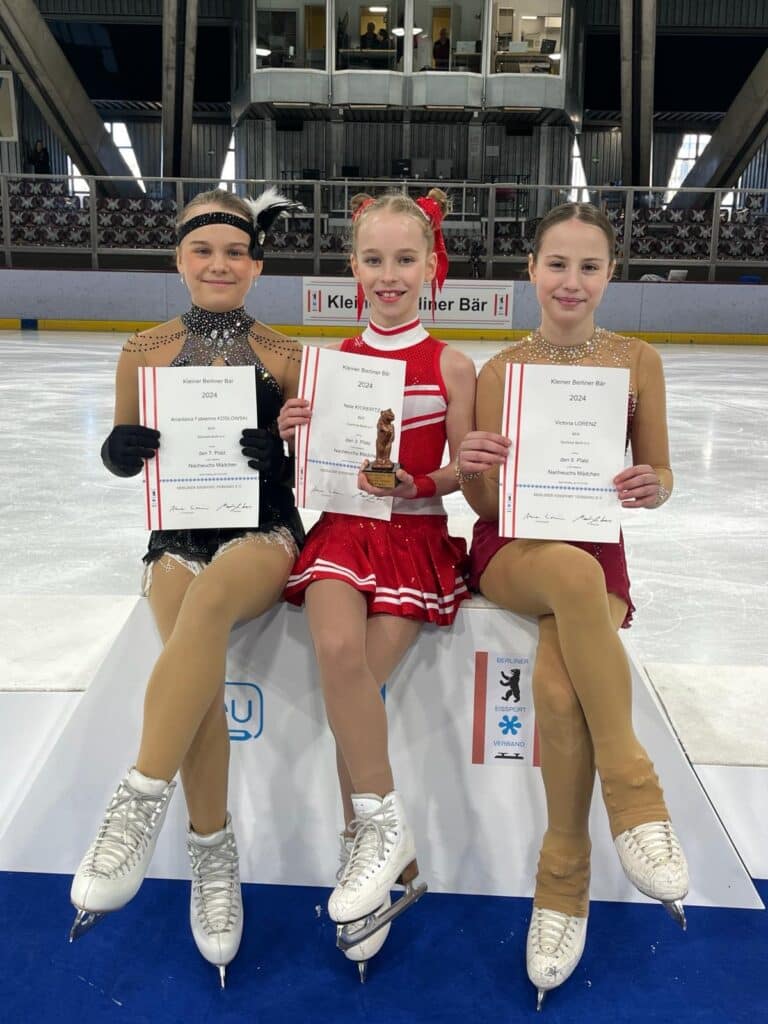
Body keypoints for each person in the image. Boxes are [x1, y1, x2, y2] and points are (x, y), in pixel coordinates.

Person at [69, 187, 305, 987]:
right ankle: (214, 860)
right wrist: (120, 449)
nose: (218, 264)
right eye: (203, 251)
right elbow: (121, 450)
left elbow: (312, 466)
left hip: (263, 534)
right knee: (197, 677)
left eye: (234, 252)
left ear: (255, 263)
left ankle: (139, 795)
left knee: (207, 605)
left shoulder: (283, 353)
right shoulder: (143, 348)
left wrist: (281, 460)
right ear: (179, 259)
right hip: (175, 536)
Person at [456, 202, 689, 1009]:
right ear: (531, 269)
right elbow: (484, 506)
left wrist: (651, 484)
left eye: (589, 266)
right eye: (557, 264)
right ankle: (636, 792)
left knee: (559, 689)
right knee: (569, 580)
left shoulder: (638, 362)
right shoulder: (499, 372)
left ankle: (563, 880)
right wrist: (477, 463)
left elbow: (659, 477)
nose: (571, 281)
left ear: (610, 275)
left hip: (595, 546)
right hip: (513, 551)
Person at [280, 188, 476, 981]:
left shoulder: (452, 363)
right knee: (336, 650)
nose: (388, 276)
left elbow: (465, 470)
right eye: (373, 260)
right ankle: (384, 830)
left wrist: (420, 479)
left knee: (354, 686)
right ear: (352, 267)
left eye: (404, 260)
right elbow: (315, 473)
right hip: (342, 534)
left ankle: (365, 864)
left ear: (433, 266)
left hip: (414, 537)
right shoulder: (328, 362)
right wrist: (294, 431)